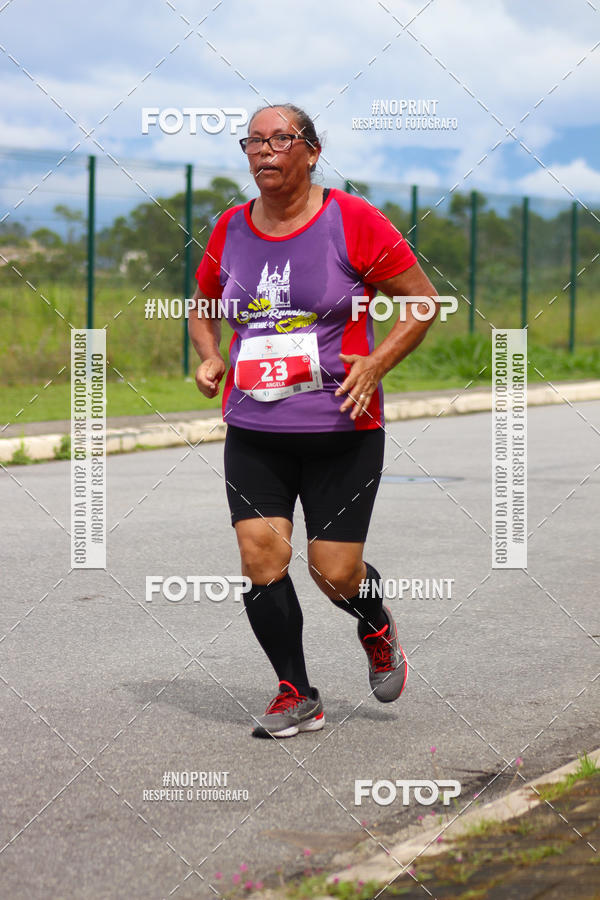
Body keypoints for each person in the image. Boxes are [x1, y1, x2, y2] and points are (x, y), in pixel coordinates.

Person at [189, 102, 438, 739]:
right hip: (255, 430)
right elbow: (203, 303)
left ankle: (373, 619)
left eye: (280, 139)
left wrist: (378, 362)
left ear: (312, 151)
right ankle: (295, 693)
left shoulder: (352, 220)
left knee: (333, 571)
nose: (264, 151)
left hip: (341, 429)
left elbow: (422, 303)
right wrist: (212, 355)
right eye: (253, 142)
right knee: (260, 555)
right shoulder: (229, 229)